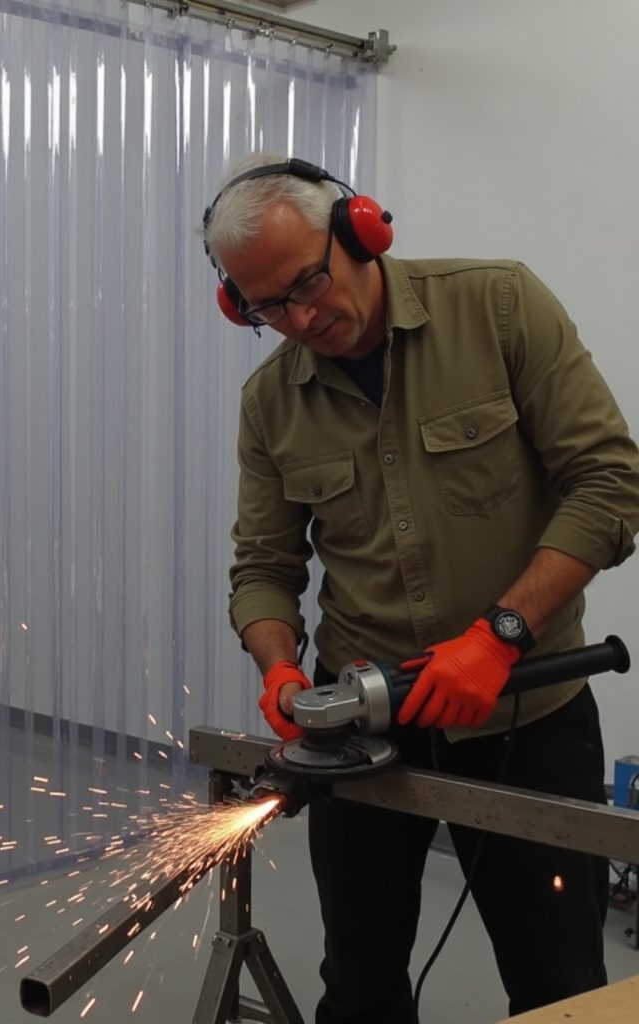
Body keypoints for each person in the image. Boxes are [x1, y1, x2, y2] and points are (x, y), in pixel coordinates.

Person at [201, 152, 639, 1024]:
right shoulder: (271, 402)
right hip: (360, 732)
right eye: (266, 308)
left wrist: (499, 634)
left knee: (559, 985)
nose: (301, 317)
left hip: (527, 718)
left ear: (363, 229)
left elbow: (611, 485)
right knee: (359, 985)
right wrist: (280, 669)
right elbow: (264, 570)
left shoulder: (500, 306)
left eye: (309, 282)